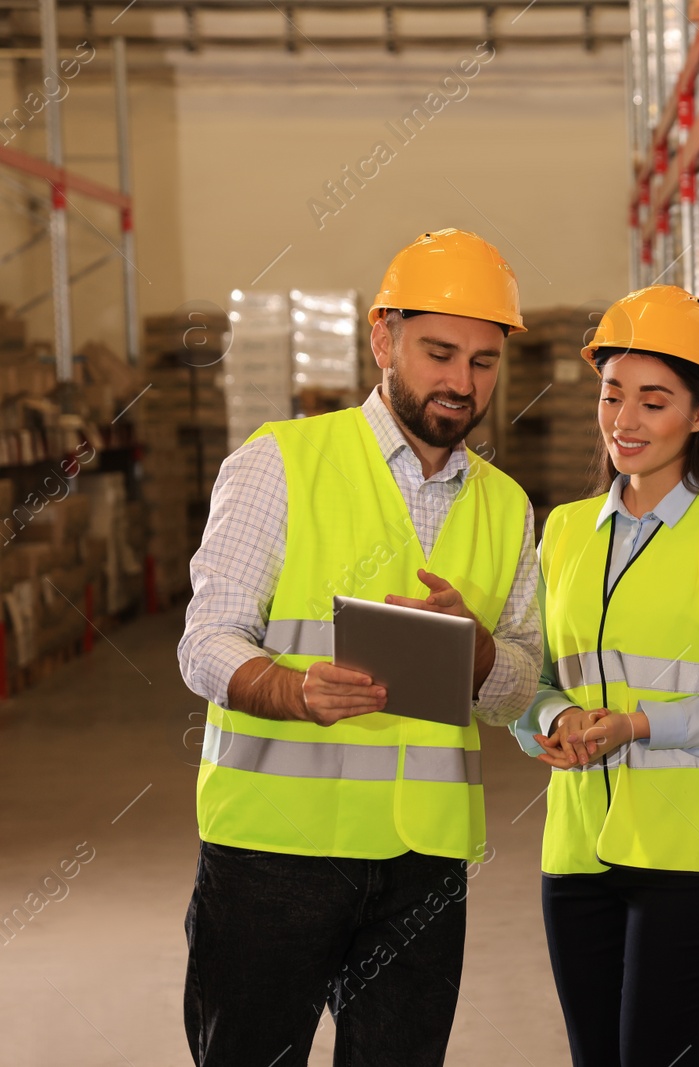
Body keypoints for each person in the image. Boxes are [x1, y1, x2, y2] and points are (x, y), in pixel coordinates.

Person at [177, 228, 542, 1066]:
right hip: (277, 855)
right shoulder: (280, 463)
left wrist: (483, 655)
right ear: (383, 338)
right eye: (438, 352)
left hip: (424, 862)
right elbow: (205, 642)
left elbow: (520, 686)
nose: (460, 381)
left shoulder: (506, 506)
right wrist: (290, 689)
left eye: (483, 362)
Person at [511, 285, 699, 1067]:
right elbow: (531, 685)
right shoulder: (565, 532)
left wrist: (639, 724)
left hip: (693, 852)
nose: (625, 421)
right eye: (613, 396)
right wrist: (549, 722)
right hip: (577, 851)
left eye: (653, 400)